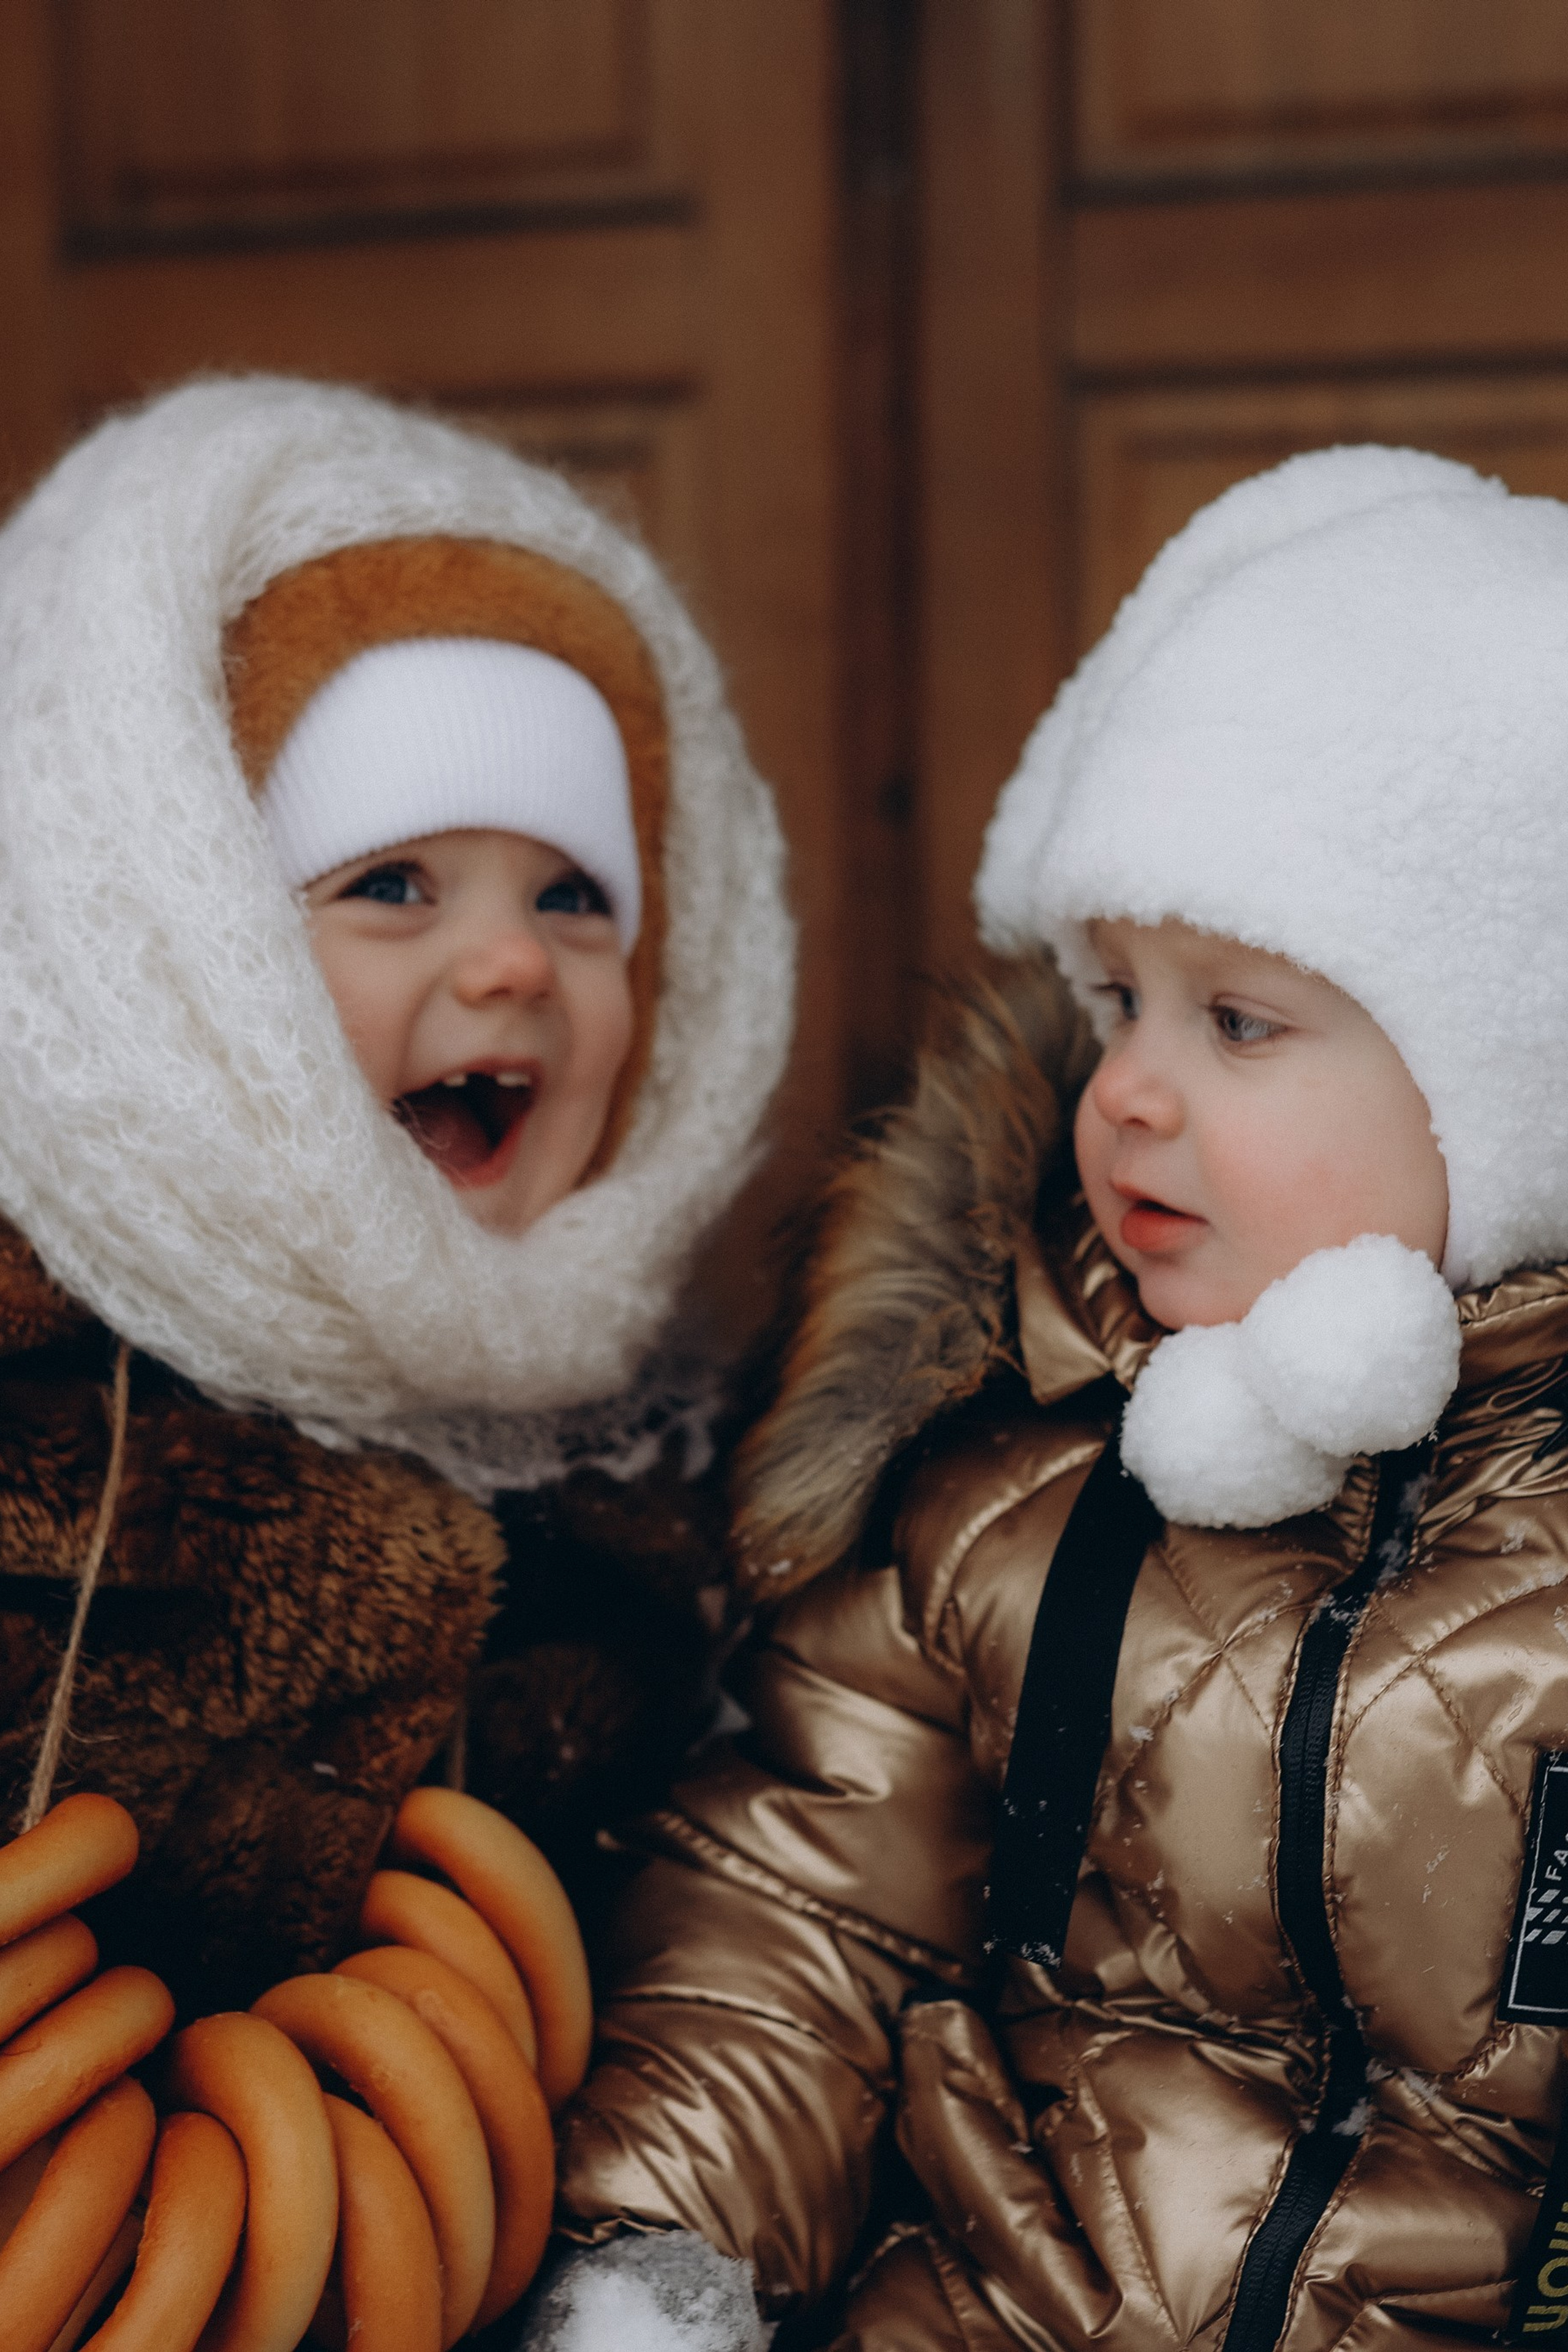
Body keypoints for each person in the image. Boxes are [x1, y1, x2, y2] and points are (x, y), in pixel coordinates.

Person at [532, 447, 1568, 2350]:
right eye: (1114, 1002)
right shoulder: (1007, 1487)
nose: (1132, 1093)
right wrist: (658, 2274)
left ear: (1511, 1090)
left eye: (1238, 1020)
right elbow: (803, 1919)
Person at [0, 374, 793, 2013]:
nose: (510, 962)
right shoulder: (48, 1426)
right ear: (163, 953)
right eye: (391, 884)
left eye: (576, 896)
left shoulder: (679, 1462)